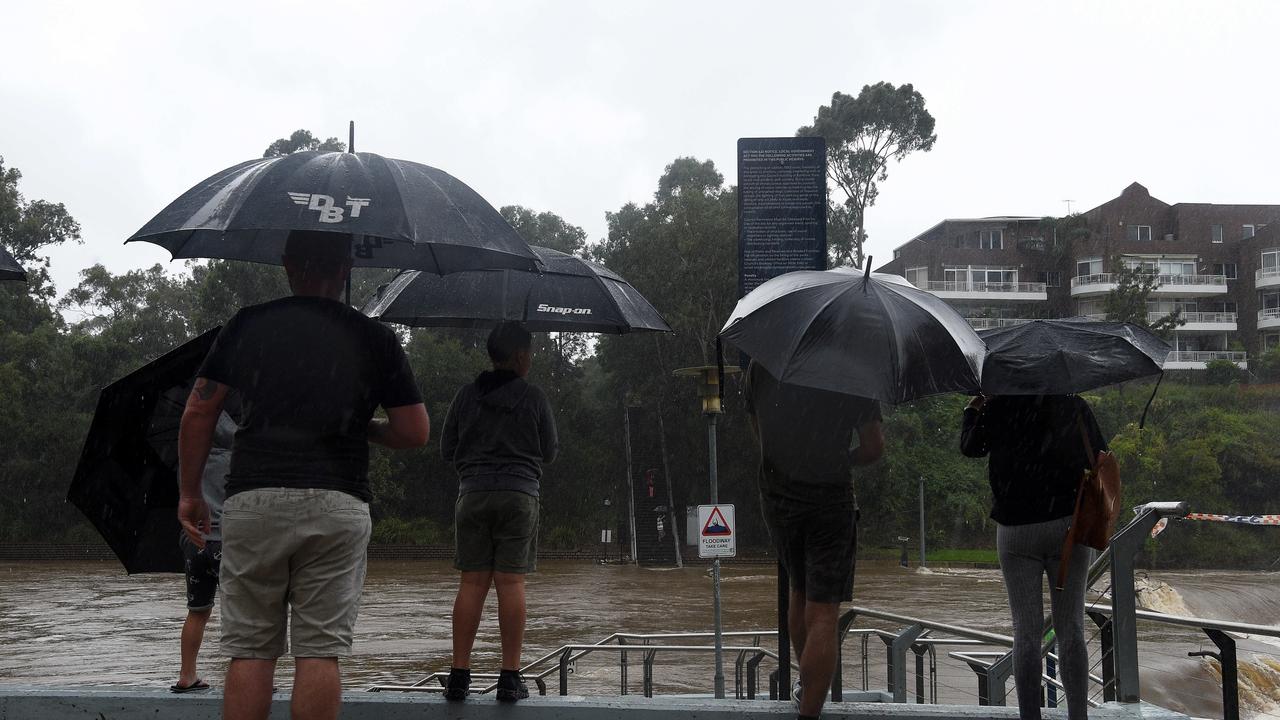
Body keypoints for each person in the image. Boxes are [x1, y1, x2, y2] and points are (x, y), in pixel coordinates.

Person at [177, 230, 430, 720]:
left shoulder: (248, 325)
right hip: (338, 503)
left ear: (289, 265)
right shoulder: (374, 337)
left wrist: (190, 493)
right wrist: (362, 427)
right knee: (319, 650)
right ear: (346, 270)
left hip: (254, 499)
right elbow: (414, 431)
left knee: (250, 648)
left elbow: (198, 412)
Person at [744, 361, 884, 720]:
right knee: (823, 610)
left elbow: (759, 428)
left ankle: (807, 686)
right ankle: (809, 712)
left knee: (799, 590)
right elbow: (872, 447)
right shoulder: (851, 368)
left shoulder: (766, 363)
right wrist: (838, 458)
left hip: (778, 499)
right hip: (829, 499)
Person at [961, 394, 1106, 720]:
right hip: (1068, 527)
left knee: (1025, 631)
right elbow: (1099, 456)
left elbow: (970, 447)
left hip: (1015, 530)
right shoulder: (1072, 404)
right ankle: (1078, 716)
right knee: (1071, 629)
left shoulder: (999, 405)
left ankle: (1030, 716)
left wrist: (973, 408)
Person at [440, 322, 558, 702]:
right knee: (511, 584)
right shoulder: (534, 397)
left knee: (472, 583)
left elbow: (446, 448)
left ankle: (459, 676)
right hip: (519, 496)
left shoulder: (465, 396)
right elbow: (550, 451)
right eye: (531, 353)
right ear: (521, 356)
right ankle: (510, 678)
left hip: (472, 495)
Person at [171, 403, 237, 694]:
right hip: (228, 543)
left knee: (197, 611)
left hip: (195, 546)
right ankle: (246, 678)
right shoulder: (236, 459)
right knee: (241, 612)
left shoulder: (188, 464)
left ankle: (187, 675)